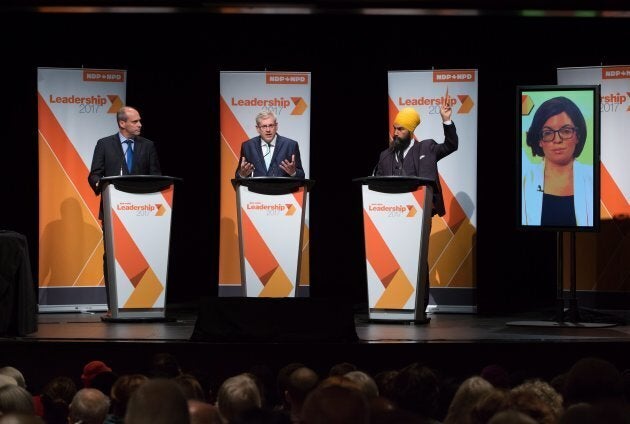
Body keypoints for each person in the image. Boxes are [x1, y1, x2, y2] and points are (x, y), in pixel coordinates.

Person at [373, 99, 458, 313]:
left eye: (400, 129)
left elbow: (451, 145)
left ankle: (419, 306)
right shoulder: (385, 155)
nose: (395, 132)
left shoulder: (426, 147)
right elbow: (376, 182)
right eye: (394, 128)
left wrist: (446, 121)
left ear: (410, 130)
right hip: (391, 216)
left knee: (417, 258)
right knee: (394, 257)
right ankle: (393, 302)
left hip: (420, 214)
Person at [87, 106, 162, 316]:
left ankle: (145, 303)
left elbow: (156, 175)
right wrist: (100, 184)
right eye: (135, 121)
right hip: (113, 211)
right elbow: (95, 174)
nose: (140, 125)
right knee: (112, 257)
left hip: (143, 212)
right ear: (122, 123)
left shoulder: (148, 146)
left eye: (139, 121)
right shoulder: (104, 144)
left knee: (143, 256)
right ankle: (114, 306)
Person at [522, 96, 593, 227]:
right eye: (548, 133)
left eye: (565, 131)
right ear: (539, 140)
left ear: (578, 136)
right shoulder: (524, 180)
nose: (557, 140)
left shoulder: (594, 178)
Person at [235, 110, 305, 179]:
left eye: (271, 125)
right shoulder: (248, 146)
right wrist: (242, 174)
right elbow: (238, 175)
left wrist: (293, 173)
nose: (268, 130)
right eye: (264, 126)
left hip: (282, 189)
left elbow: (302, 175)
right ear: (258, 129)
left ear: (276, 126)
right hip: (256, 189)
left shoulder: (290, 145)